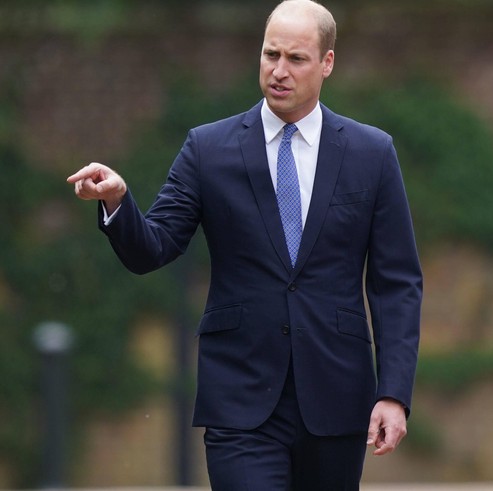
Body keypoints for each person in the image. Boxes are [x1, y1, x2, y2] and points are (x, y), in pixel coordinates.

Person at [67, 0, 422, 489]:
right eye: (269, 54)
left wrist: (394, 393)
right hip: (240, 400)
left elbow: (397, 283)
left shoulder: (371, 152)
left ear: (327, 63)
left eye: (296, 59)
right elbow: (153, 248)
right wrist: (118, 202)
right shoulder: (208, 148)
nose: (279, 71)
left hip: (338, 397)